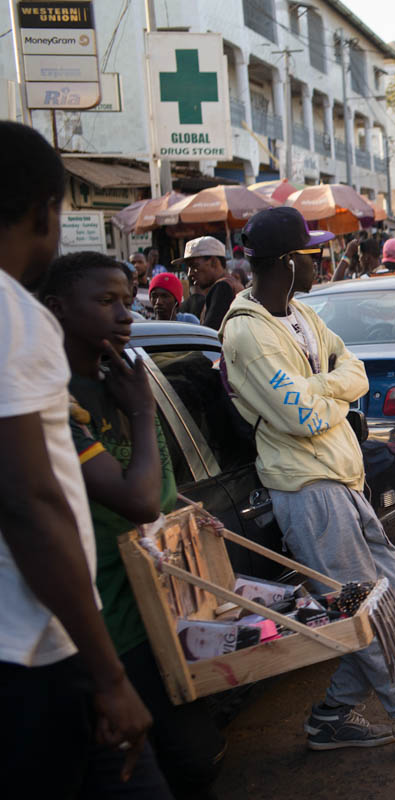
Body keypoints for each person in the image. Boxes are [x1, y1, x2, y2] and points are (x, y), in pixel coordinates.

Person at [220, 206, 395, 761]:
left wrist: (323, 388)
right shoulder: (248, 332)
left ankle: (332, 716)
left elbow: (356, 371)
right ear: (287, 262)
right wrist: (332, 392)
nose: (321, 261)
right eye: (312, 253)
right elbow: (302, 417)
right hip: (307, 488)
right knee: (366, 610)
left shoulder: (298, 314)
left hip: (342, 477)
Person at [0, 120, 158, 796]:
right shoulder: (14, 316)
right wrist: (109, 676)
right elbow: (31, 504)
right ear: (45, 212)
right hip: (35, 648)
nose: (122, 315)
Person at [42, 251, 226, 798]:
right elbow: (140, 500)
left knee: (198, 759)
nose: (126, 315)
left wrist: (185, 510)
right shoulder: (53, 403)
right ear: (56, 308)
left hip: (155, 607)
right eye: (106, 301)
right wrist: (144, 413)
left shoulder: (118, 381)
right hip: (101, 625)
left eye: (127, 300)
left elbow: (157, 492)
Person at [176, 236, 240, 329]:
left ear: (214, 262)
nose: (190, 274)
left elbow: (210, 333)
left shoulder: (223, 287)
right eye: (188, 268)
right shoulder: (230, 283)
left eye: (194, 266)